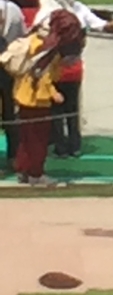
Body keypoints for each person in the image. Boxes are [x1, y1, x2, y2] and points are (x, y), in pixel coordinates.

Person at [36, 0, 113, 158]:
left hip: (73, 66)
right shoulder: (47, 11)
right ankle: (60, 145)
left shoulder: (78, 8)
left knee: (71, 108)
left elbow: (96, 22)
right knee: (57, 109)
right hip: (54, 67)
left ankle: (74, 145)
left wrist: (109, 25)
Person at [13, 10, 84, 186]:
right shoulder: (47, 47)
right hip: (37, 99)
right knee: (39, 138)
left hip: (24, 95)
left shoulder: (36, 38)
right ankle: (36, 174)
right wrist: (54, 93)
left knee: (27, 137)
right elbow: (42, 75)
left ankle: (23, 170)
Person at [0, 0, 27, 174]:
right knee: (11, 112)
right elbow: (21, 39)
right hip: (7, 65)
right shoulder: (14, 10)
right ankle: (12, 157)